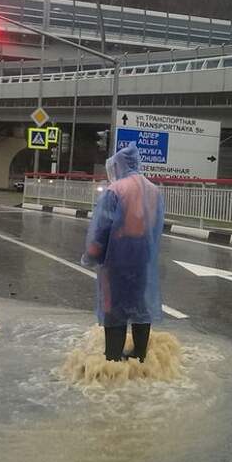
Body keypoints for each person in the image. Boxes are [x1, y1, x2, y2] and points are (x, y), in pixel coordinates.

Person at [81, 142, 164, 362]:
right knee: (140, 303)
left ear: (118, 165)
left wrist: (91, 254)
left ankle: (113, 359)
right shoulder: (153, 189)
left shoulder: (116, 190)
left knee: (113, 306)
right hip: (143, 256)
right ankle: (140, 355)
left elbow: (102, 227)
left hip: (117, 256)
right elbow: (156, 228)